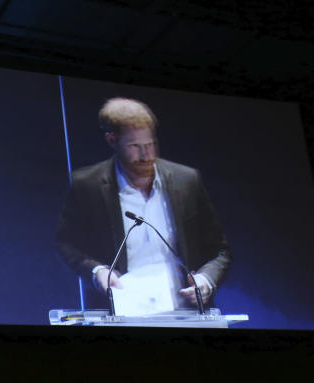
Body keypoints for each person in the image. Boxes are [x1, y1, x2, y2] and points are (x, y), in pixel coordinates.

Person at [55, 97, 231, 309]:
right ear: (112, 140)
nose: (146, 155)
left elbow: (220, 251)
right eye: (135, 146)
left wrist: (206, 281)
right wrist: (96, 271)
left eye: (150, 144)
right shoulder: (87, 186)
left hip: (187, 312)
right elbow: (67, 243)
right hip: (121, 313)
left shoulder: (187, 181)